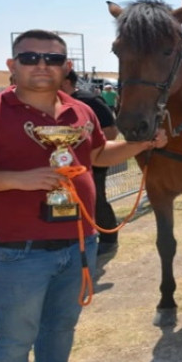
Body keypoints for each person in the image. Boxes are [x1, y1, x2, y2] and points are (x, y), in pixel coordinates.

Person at [0, 30, 167, 362]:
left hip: (78, 244)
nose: (42, 65)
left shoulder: (80, 112)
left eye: (53, 59)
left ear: (67, 66)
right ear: (12, 65)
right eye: (30, 58)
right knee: (13, 340)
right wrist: (19, 180)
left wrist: (142, 144)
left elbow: (99, 155)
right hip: (17, 252)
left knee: (60, 330)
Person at [61, 69, 120, 256]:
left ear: (67, 82)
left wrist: (85, 146)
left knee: (96, 200)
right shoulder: (51, 104)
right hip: (63, 165)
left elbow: (111, 131)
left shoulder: (89, 101)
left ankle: (108, 238)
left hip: (93, 163)